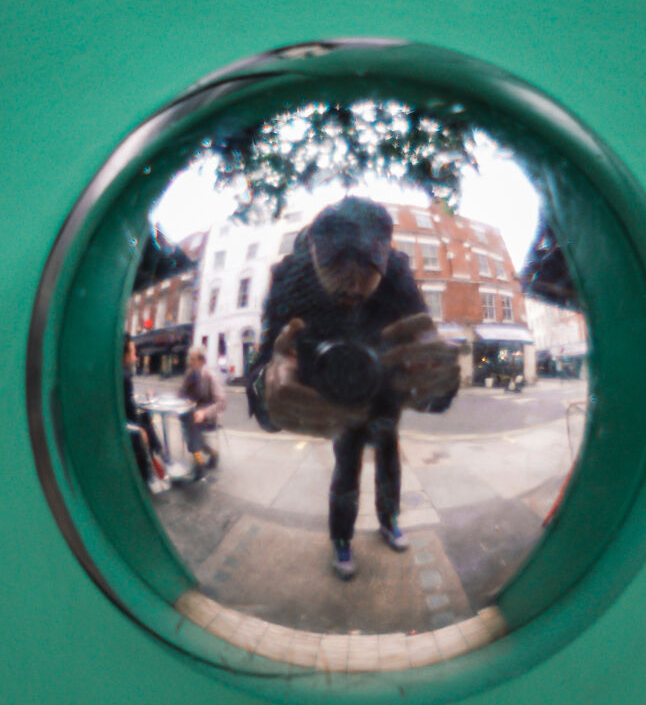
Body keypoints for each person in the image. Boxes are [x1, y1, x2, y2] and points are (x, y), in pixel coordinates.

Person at [246, 197, 461, 579]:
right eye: (337, 267)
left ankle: (389, 517)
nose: (353, 284)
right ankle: (342, 540)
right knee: (346, 465)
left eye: (367, 269)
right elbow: (264, 357)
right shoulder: (291, 276)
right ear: (313, 253)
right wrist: (268, 388)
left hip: (382, 382)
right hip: (335, 386)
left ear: (384, 261)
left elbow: (427, 344)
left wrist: (439, 380)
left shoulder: (397, 273)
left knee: (389, 454)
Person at [123, 336, 166, 487]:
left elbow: (127, 402)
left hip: (127, 424)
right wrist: (139, 429)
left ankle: (157, 455)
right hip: (127, 429)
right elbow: (128, 411)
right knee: (146, 422)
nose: (136, 358)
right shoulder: (125, 376)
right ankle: (153, 463)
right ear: (126, 355)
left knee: (146, 418)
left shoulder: (122, 374)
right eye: (134, 353)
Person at [179, 347, 227, 480]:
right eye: (190, 359)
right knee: (186, 417)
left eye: (193, 360)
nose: (190, 362)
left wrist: (204, 413)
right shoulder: (190, 374)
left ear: (202, 361)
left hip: (210, 417)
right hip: (193, 414)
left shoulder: (211, 376)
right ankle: (211, 453)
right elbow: (181, 393)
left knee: (189, 420)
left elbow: (222, 403)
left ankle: (199, 461)